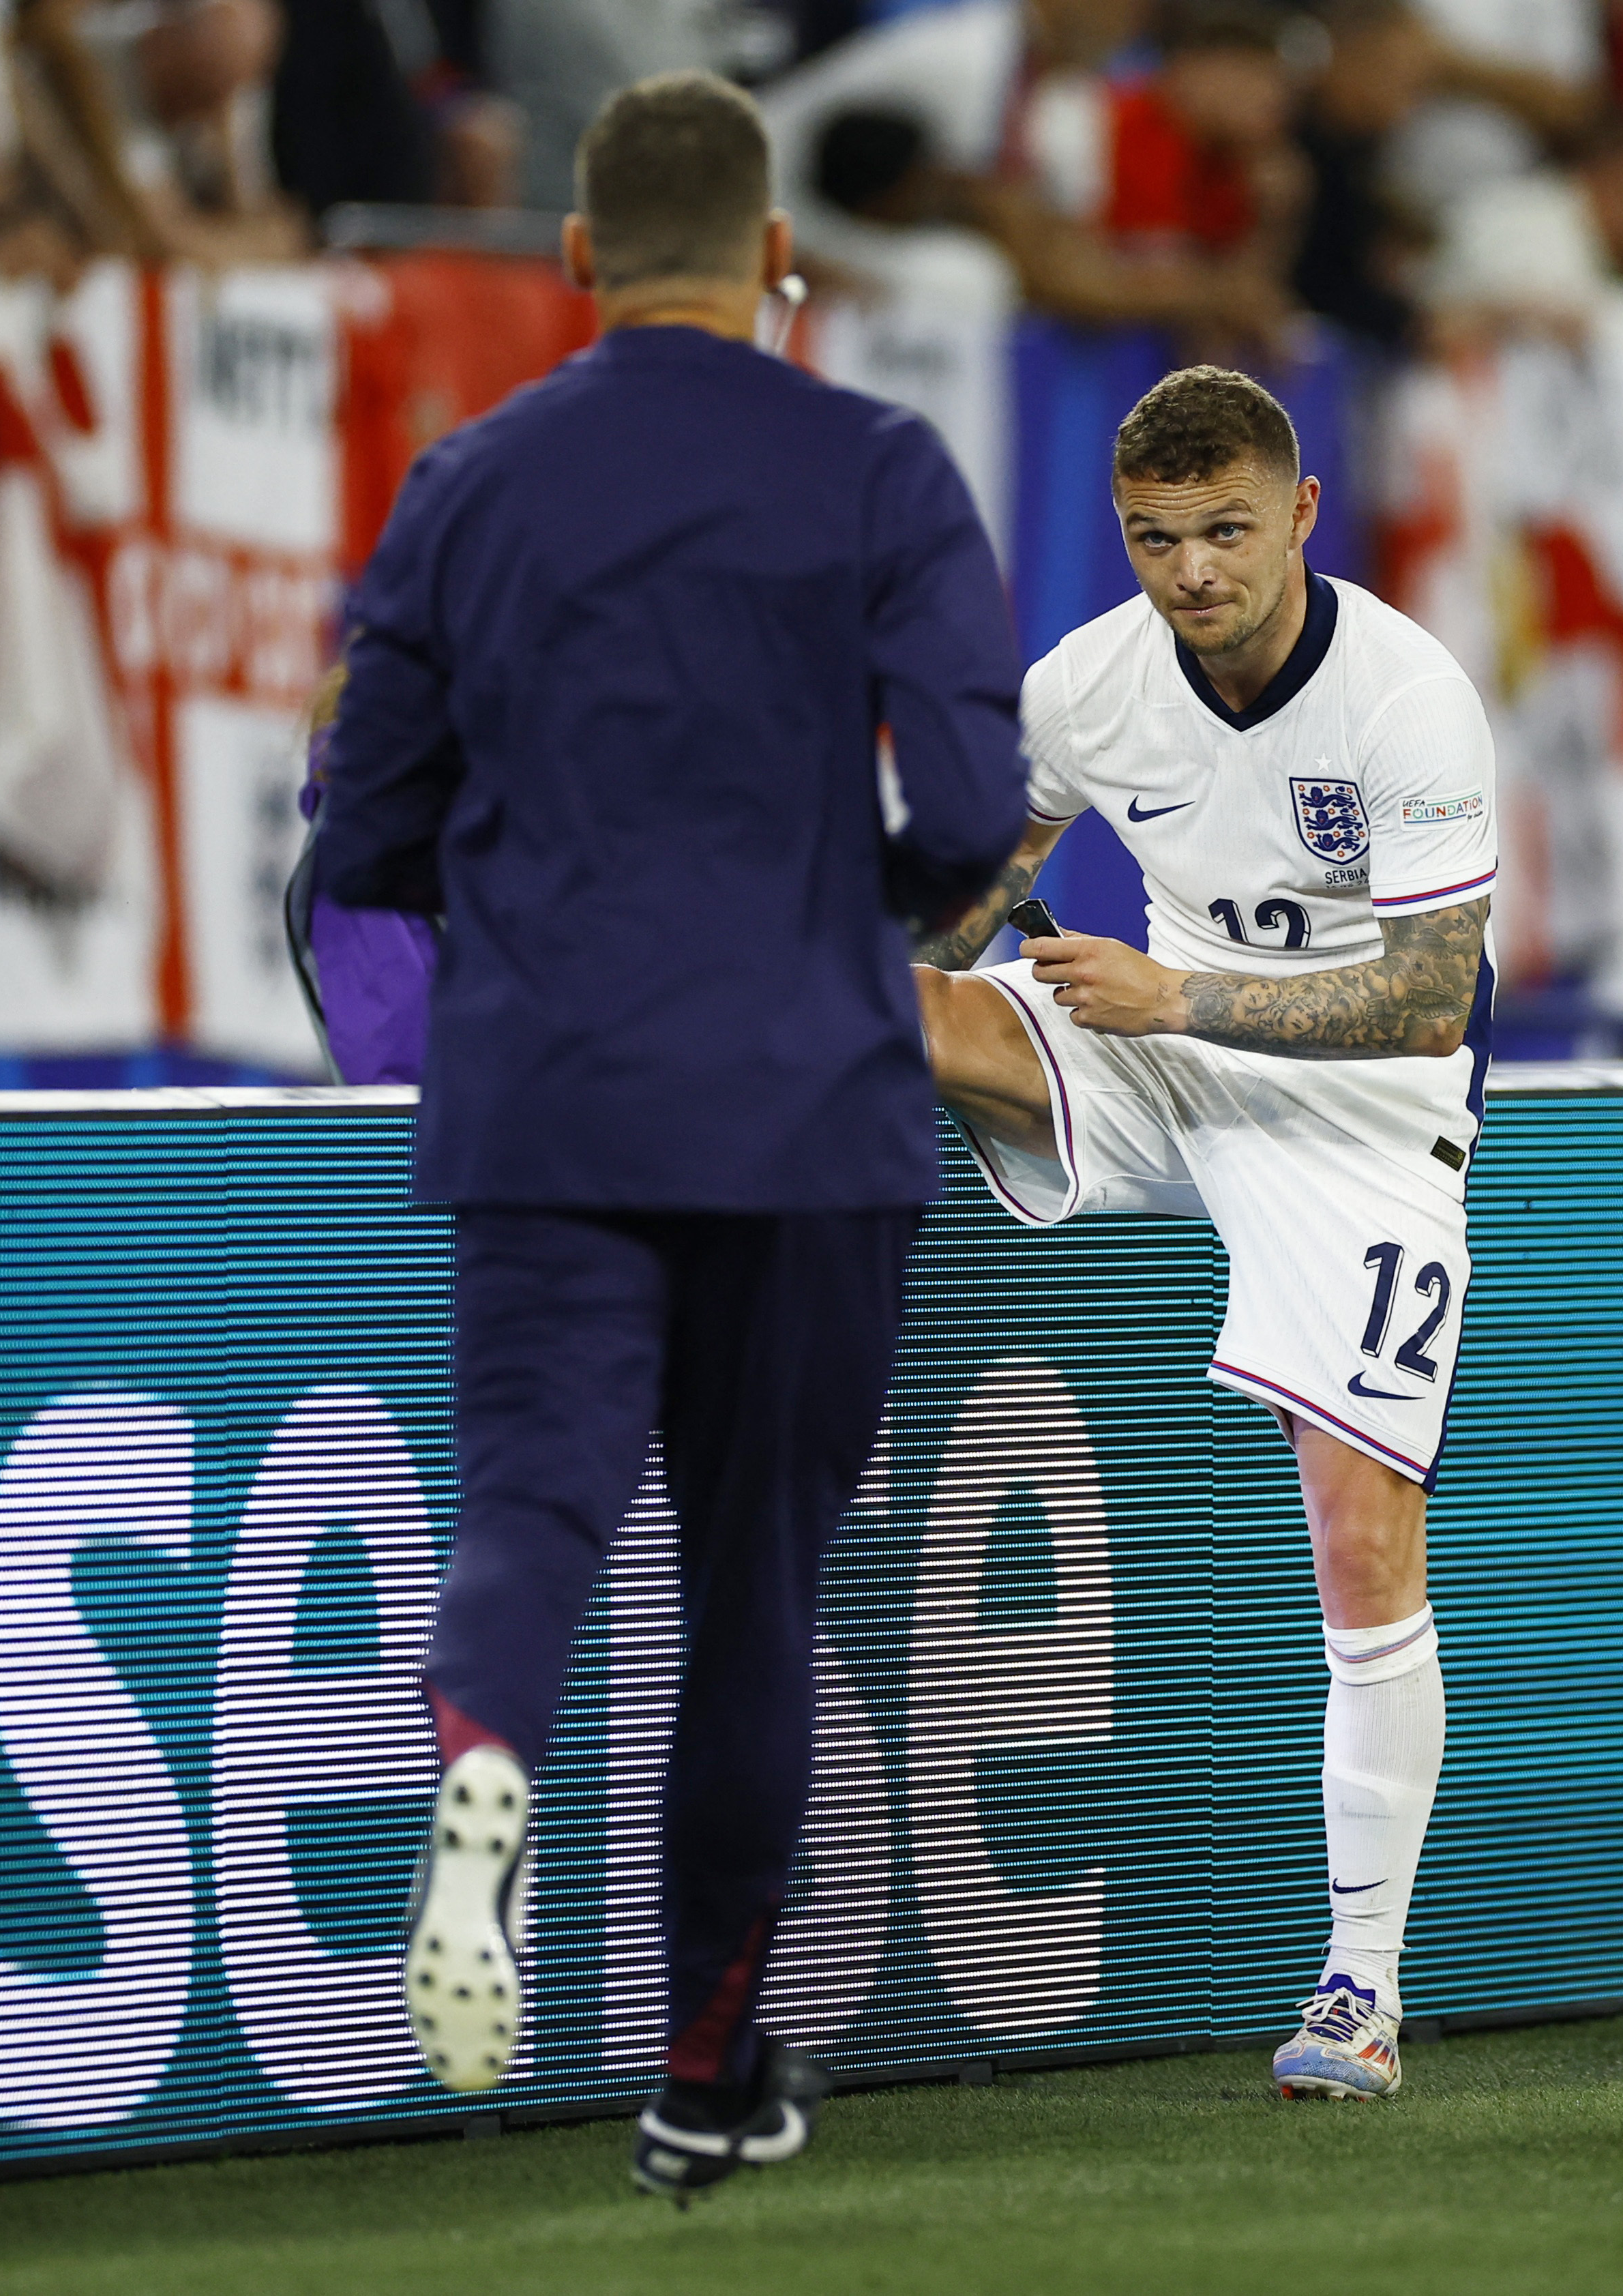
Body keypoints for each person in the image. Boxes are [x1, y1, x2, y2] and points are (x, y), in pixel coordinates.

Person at [313, 70, 1024, 2200]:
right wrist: (848, 913)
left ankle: (484, 1762)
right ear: (775, 253)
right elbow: (978, 816)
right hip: (807, 1101)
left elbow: (365, 827)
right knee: (750, 1595)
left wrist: (527, 913)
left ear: (577, 260)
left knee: (531, 1517)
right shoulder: (881, 466)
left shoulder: (467, 479)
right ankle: (708, 2071)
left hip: (547, 1093)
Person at [912, 365, 1495, 2103]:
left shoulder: (1408, 698)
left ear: (1303, 514)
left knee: (1358, 1539)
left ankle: (1360, 1990)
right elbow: (962, 889)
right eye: (1157, 538)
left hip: (1366, 1117)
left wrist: (1179, 990)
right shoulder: (1087, 684)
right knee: (868, 1004)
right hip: (1159, 1053)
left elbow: (1429, 998)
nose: (1192, 571)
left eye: (1228, 530)